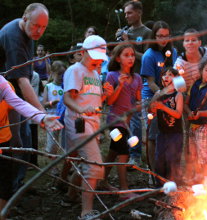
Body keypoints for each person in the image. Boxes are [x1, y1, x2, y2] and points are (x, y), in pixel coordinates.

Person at [0, 43, 63, 213]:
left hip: (3, 143)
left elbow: (19, 103)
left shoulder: (3, 85)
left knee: (4, 186)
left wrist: (41, 116)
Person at [0, 2, 49, 192]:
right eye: (36, 25)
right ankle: (10, 188)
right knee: (17, 141)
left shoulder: (29, 32)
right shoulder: (12, 37)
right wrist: (42, 113)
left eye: (44, 27)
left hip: (15, 95)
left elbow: (26, 74)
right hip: (6, 97)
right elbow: (22, 81)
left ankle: (15, 184)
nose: (39, 31)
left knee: (24, 141)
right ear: (25, 18)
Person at [63, 35, 113, 219]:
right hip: (79, 123)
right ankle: (86, 212)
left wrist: (106, 95)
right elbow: (68, 98)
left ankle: (70, 196)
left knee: (86, 162)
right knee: (94, 164)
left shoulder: (95, 74)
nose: (98, 60)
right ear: (83, 52)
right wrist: (82, 110)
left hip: (93, 123)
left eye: (100, 57)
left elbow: (93, 100)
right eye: (94, 56)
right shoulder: (75, 70)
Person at [99, 44, 142, 198]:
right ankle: (124, 190)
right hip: (114, 122)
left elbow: (137, 100)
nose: (130, 58)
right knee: (123, 152)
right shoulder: (111, 75)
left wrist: (139, 105)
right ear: (118, 58)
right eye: (126, 55)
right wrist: (120, 84)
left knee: (113, 152)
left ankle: (102, 181)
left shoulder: (137, 78)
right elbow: (109, 102)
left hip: (127, 123)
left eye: (132, 55)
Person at [117, 0, 152, 166]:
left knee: (136, 120)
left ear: (139, 12)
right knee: (123, 118)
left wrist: (128, 44)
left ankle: (136, 155)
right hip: (123, 79)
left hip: (139, 80)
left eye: (129, 13)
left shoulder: (147, 33)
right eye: (125, 13)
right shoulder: (125, 32)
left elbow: (145, 58)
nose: (126, 16)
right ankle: (123, 150)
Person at [140, 20, 177, 173]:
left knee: (167, 133)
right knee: (152, 136)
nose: (163, 39)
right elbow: (150, 82)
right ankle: (152, 171)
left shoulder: (173, 53)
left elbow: (174, 75)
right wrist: (162, 94)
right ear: (154, 37)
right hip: (152, 98)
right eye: (160, 36)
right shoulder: (149, 55)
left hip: (168, 97)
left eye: (166, 36)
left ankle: (165, 168)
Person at [184, 59, 207, 186]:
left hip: (205, 126)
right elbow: (186, 103)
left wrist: (200, 113)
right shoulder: (195, 85)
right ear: (201, 71)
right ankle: (197, 176)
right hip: (193, 125)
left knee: (204, 154)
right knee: (193, 153)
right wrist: (189, 112)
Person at [149, 68, 183, 183]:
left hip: (175, 134)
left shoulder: (178, 95)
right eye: (164, 75)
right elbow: (152, 109)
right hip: (162, 133)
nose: (166, 77)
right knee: (160, 158)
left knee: (172, 159)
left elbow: (178, 114)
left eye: (170, 74)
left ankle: (172, 185)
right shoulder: (159, 94)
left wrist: (163, 107)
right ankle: (160, 185)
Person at [43, 61, 65, 156]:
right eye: (59, 74)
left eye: (63, 74)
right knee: (53, 142)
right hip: (52, 117)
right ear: (52, 73)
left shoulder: (66, 87)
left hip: (64, 117)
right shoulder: (48, 87)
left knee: (64, 141)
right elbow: (44, 104)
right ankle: (53, 166)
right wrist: (52, 102)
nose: (61, 77)